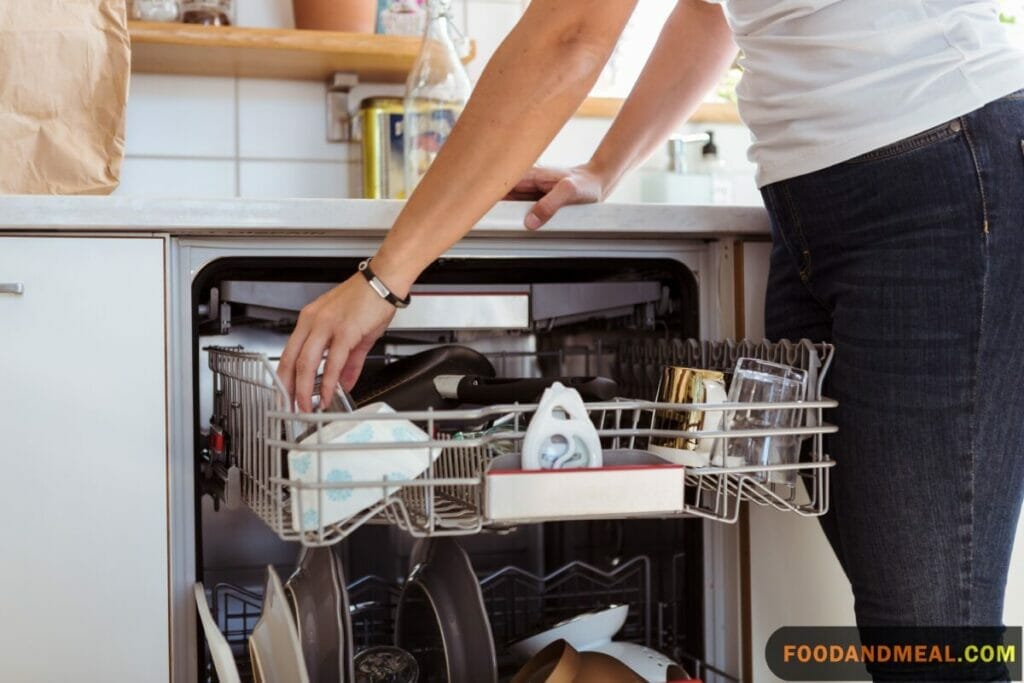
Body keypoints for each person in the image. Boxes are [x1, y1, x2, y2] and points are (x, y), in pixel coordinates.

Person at [278, 1, 1024, 678]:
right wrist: (607, 165)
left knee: (930, 632)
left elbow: (570, 35)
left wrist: (384, 278)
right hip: (818, 205)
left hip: (938, 179)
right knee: (907, 621)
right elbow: (711, 10)